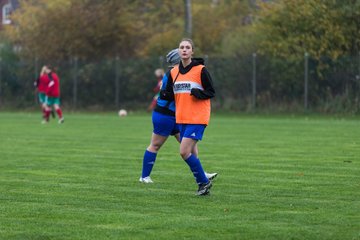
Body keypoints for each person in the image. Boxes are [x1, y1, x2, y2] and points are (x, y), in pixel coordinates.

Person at [140, 49, 217, 184]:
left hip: (177, 115)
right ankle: (144, 177)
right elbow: (167, 94)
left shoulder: (181, 72)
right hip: (165, 115)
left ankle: (201, 174)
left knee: (190, 145)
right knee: (155, 145)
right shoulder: (173, 73)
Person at [160, 39, 216, 196]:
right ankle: (203, 183)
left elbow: (211, 91)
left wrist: (200, 94)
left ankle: (203, 182)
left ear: (192, 51)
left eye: (187, 47)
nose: (184, 50)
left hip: (197, 117)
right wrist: (165, 94)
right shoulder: (173, 72)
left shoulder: (200, 70)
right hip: (182, 118)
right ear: (178, 51)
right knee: (192, 153)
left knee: (184, 152)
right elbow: (174, 93)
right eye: (181, 47)